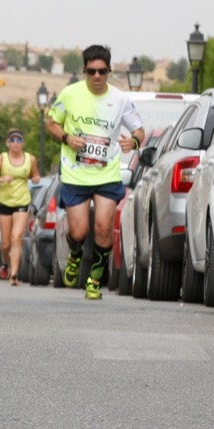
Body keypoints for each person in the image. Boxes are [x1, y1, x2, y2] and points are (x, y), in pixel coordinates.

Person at [45, 44, 146, 300]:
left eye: (102, 71)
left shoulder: (121, 99)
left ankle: (94, 280)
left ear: (109, 71)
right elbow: (51, 123)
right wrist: (67, 137)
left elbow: (139, 131)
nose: (97, 76)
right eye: (91, 71)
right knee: (78, 231)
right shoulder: (70, 94)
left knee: (103, 227)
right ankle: (75, 254)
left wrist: (132, 143)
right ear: (85, 71)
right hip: (75, 174)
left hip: (107, 174)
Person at [0, 129, 42, 286]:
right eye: (12, 140)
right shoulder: (2, 158)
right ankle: (5, 263)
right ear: (7, 143)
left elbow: (35, 174)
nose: (15, 143)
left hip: (22, 202)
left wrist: (36, 178)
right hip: (4, 203)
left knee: (16, 237)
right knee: (5, 243)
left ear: (22, 143)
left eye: (18, 140)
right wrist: (2, 179)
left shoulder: (30, 159)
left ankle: (14, 275)